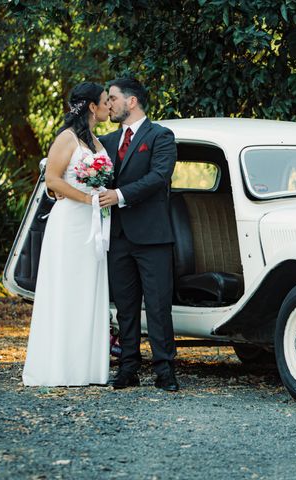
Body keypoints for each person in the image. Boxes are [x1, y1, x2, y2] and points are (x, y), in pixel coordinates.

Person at [22, 82, 112, 386]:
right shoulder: (67, 138)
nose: (108, 106)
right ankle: (58, 367)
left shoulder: (97, 141)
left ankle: (86, 368)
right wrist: (87, 199)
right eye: (104, 101)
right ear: (91, 107)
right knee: (66, 289)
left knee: (89, 289)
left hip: (95, 224)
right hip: (70, 222)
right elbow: (52, 181)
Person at [98, 78, 179, 392]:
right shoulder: (106, 141)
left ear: (131, 102)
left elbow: (159, 177)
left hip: (153, 236)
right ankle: (127, 367)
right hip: (117, 236)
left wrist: (119, 195)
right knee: (126, 307)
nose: (109, 105)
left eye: (114, 99)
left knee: (158, 306)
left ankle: (165, 371)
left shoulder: (160, 136)